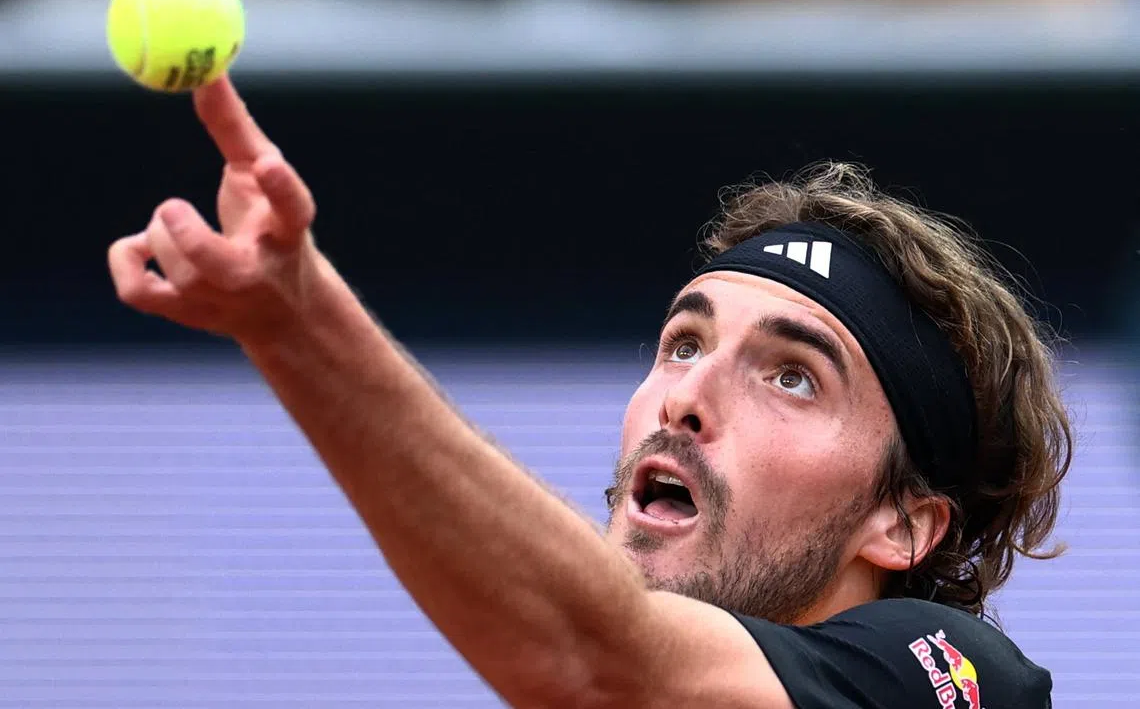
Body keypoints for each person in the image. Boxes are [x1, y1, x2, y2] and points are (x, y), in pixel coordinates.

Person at [108, 76, 1071, 708]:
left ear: (903, 526)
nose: (685, 399)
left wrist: (295, 318)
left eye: (792, 376)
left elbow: (600, 660)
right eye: (683, 343)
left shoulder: (950, 677)